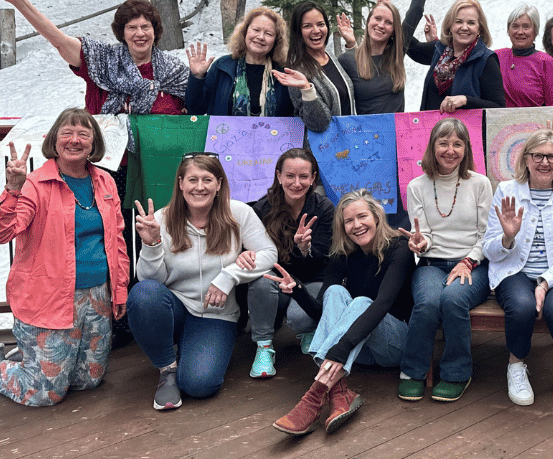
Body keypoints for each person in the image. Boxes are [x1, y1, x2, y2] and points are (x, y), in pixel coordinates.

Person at [126, 153, 278, 410]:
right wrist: (151, 244)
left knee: (199, 386)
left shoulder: (239, 212)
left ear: (219, 184)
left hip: (216, 315)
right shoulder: (162, 219)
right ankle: (167, 369)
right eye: (192, 179)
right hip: (173, 309)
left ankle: (191, 352)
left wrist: (229, 276)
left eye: (207, 179)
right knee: (143, 294)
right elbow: (151, 282)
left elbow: (269, 254)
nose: (199, 187)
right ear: (181, 183)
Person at [0, 109, 129, 406]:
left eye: (83, 134)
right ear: (54, 140)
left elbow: (117, 240)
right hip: (48, 297)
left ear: (94, 142)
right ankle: (17, 366)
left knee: (88, 379)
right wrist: (12, 190)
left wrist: (119, 289)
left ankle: (34, 360)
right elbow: (5, 231)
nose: (75, 140)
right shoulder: (35, 183)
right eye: (67, 133)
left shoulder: (106, 183)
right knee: (45, 394)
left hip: (97, 296)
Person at [270, 190, 415, 435]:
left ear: (376, 217)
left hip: (394, 346)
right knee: (335, 292)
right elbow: (320, 313)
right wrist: (297, 290)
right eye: (349, 221)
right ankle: (339, 391)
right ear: (342, 226)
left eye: (362, 217)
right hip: (357, 352)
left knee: (361, 303)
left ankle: (313, 397)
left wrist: (342, 346)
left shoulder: (399, 249)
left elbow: (381, 305)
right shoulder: (342, 254)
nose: (356, 225)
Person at [483, 127, 553, 407]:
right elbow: (489, 250)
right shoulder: (506, 191)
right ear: (526, 159)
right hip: (514, 271)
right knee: (522, 306)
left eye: (552, 156)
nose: (545, 162)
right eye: (538, 155)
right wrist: (507, 237)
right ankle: (516, 365)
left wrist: (545, 282)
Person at [397, 118, 493, 402]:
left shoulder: (480, 183)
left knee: (453, 299)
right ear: (432, 147)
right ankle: (413, 371)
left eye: (457, 144)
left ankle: (457, 373)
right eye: (443, 143)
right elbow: (424, 233)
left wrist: (469, 261)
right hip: (432, 264)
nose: (450, 150)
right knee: (427, 303)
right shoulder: (417, 185)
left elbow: (486, 235)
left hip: (473, 264)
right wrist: (419, 243)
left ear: (466, 149)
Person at [0, 0, 187, 118]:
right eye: (132, 27)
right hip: (105, 161)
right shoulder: (102, 60)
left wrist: (200, 76)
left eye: (146, 27)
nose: (140, 33)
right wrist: (19, 1)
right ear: (122, 33)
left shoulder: (175, 71)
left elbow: (199, 109)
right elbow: (60, 41)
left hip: (162, 162)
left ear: (155, 31)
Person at [247, 149, 335, 378]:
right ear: (279, 176)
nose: (297, 183)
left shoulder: (324, 208)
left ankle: (308, 329)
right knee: (260, 281)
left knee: (300, 317)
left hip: (311, 279)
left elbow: (322, 262)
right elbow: (252, 252)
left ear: (313, 178)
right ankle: (264, 347)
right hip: (277, 279)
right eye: (290, 176)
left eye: (304, 176)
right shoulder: (262, 209)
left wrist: (304, 249)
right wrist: (242, 254)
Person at [333, 0, 437, 115]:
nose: (381, 25)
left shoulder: (396, 52)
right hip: (364, 138)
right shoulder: (348, 59)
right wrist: (351, 44)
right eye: (378, 18)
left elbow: (416, 9)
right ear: (368, 21)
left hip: (397, 136)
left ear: (394, 30)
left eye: (389, 22)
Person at [185, 7, 293, 117]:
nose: (260, 37)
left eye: (268, 34)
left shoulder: (284, 73)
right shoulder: (222, 67)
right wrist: (197, 77)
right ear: (245, 32)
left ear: (276, 41)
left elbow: (295, 116)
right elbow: (195, 110)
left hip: (274, 134)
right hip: (225, 133)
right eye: (256, 30)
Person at [408, 0, 506, 112]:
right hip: (430, 127)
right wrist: (391, 19)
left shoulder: (486, 60)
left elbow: (499, 108)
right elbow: (412, 47)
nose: (464, 27)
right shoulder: (439, 50)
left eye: (471, 23)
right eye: (459, 21)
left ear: (479, 29)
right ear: (450, 26)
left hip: (465, 129)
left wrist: (466, 100)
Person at [271, 1, 355, 132]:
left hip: (349, 140)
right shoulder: (296, 70)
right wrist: (307, 90)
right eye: (307, 26)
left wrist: (351, 44)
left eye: (320, 24)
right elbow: (318, 124)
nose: (316, 31)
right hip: (323, 149)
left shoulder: (329, 56)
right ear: (298, 32)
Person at [496, 4, 553, 107]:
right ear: (508, 31)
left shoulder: (545, 61)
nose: (520, 32)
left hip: (535, 122)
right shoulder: (497, 56)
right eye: (515, 26)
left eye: (526, 27)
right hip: (500, 121)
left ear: (535, 31)